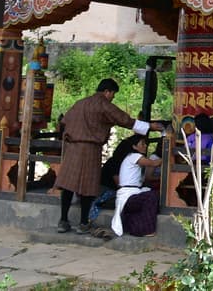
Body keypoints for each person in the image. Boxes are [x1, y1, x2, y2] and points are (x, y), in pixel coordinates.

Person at [54, 78, 164, 234]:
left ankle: (63, 221)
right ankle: (83, 223)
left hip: (72, 148)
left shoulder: (79, 103)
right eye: (113, 95)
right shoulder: (103, 104)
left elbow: (63, 123)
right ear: (107, 91)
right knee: (88, 187)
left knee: (68, 185)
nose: (112, 98)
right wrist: (149, 126)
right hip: (90, 149)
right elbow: (124, 120)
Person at [108, 133, 161, 237]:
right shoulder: (134, 156)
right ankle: (147, 230)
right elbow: (154, 163)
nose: (145, 145)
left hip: (130, 194)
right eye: (142, 143)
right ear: (134, 146)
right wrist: (168, 155)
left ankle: (135, 225)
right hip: (128, 196)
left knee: (149, 193)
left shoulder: (130, 157)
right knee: (152, 196)